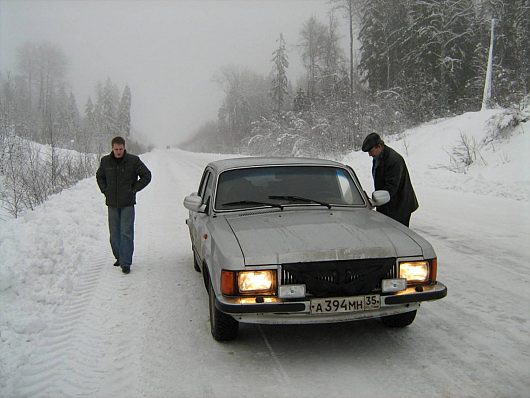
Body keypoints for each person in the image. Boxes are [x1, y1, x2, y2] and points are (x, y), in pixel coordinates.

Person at [96, 136, 152, 274]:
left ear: (124, 147)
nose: (119, 151)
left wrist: (134, 189)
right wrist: (105, 190)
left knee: (126, 233)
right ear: (112, 148)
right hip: (112, 204)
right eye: (116, 149)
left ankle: (126, 262)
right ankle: (119, 256)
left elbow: (147, 175)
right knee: (114, 234)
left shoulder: (133, 161)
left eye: (121, 149)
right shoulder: (105, 161)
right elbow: (100, 176)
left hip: (127, 203)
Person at [362, 132, 418, 227]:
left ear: (379, 146)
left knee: (396, 237)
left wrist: (376, 201)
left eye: (370, 151)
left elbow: (391, 188)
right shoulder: (378, 157)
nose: (369, 155)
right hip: (387, 205)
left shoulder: (393, 160)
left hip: (400, 207)